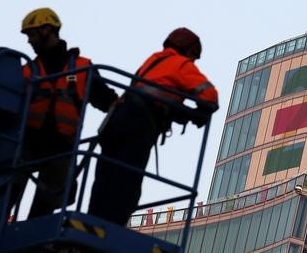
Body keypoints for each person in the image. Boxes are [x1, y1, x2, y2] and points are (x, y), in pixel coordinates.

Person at [88, 27, 218, 225]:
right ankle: (111, 226)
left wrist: (176, 110)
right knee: (127, 179)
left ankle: (93, 222)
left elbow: (158, 91)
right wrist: (199, 113)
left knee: (106, 176)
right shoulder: (181, 64)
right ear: (187, 49)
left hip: (116, 121)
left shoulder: (152, 61)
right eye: (194, 55)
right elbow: (210, 96)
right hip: (139, 122)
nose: (194, 61)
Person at [13, 7, 118, 218]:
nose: (28, 41)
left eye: (31, 35)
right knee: (7, 186)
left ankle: (32, 241)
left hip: (61, 147)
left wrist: (122, 109)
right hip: (27, 143)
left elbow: (108, 101)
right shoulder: (26, 71)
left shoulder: (81, 68)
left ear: (47, 30)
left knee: (49, 200)